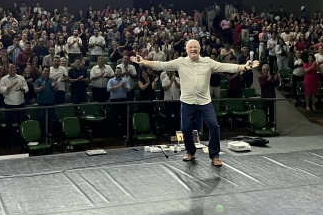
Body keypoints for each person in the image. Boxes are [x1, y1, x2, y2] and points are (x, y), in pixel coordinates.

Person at [134, 39, 259, 167]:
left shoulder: (208, 62)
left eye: (195, 47)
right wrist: (144, 62)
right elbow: (161, 65)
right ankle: (190, 151)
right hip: (187, 103)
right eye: (190, 47)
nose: (193, 49)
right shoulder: (180, 62)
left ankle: (214, 155)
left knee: (214, 127)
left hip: (205, 102)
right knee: (186, 129)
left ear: (199, 49)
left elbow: (226, 66)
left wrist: (244, 66)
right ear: (187, 50)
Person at [0, 64, 28, 150]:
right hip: (9, 105)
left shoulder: (21, 78)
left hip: (20, 104)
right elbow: (1, 90)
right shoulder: (4, 79)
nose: (13, 69)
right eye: (11, 67)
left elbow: (26, 88)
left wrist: (22, 89)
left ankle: (23, 142)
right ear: (7, 69)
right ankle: (7, 144)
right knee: (8, 126)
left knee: (22, 124)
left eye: (14, 67)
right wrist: (11, 86)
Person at [34, 67, 59, 137]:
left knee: (51, 120)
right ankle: (42, 136)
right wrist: (41, 87)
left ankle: (51, 136)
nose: (46, 72)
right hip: (42, 103)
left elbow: (57, 89)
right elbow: (35, 90)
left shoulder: (52, 80)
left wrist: (54, 86)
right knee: (42, 120)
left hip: (51, 103)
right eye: (45, 71)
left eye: (48, 71)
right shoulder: (38, 80)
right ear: (42, 72)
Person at [106, 67, 131, 137]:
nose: (118, 73)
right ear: (115, 72)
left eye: (119, 72)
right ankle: (115, 134)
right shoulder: (111, 80)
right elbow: (108, 89)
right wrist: (118, 86)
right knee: (114, 117)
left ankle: (124, 133)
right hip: (114, 100)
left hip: (123, 100)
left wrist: (123, 86)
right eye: (117, 72)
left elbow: (128, 89)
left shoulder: (125, 80)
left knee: (124, 117)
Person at [161, 70, 181, 135]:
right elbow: (165, 88)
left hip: (176, 100)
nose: (169, 73)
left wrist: (174, 80)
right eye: (168, 71)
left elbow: (179, 87)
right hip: (168, 100)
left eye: (170, 71)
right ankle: (168, 131)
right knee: (168, 116)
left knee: (176, 115)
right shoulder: (164, 80)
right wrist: (171, 82)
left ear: (173, 72)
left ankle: (177, 130)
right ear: (166, 72)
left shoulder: (178, 79)